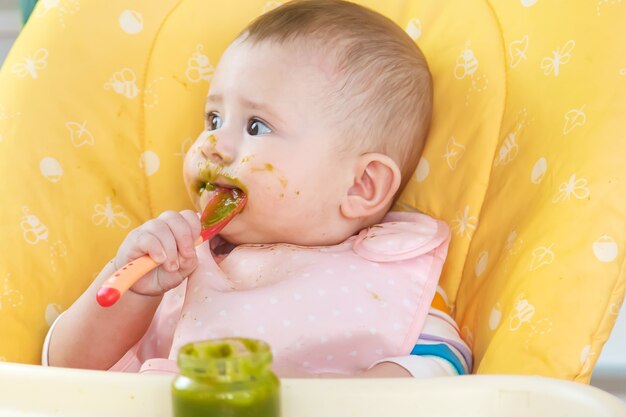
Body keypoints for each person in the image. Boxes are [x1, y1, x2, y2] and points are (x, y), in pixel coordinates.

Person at [44, 0, 471, 378]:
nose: (213, 145)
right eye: (213, 120)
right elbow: (66, 370)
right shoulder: (179, 264)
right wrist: (133, 289)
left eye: (256, 126)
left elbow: (444, 360)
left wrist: (362, 395)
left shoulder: (387, 273)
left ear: (361, 185)